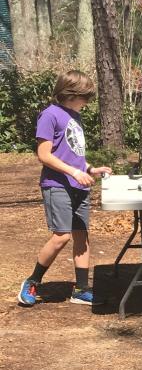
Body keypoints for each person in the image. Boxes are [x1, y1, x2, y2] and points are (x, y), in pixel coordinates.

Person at [17, 70, 112, 308]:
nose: (87, 103)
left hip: (78, 184)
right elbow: (44, 155)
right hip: (57, 185)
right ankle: (32, 281)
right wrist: (74, 173)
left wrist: (90, 169)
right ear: (72, 94)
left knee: (82, 236)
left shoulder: (75, 116)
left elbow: (73, 155)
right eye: (85, 98)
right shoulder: (50, 115)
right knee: (61, 237)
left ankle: (81, 289)